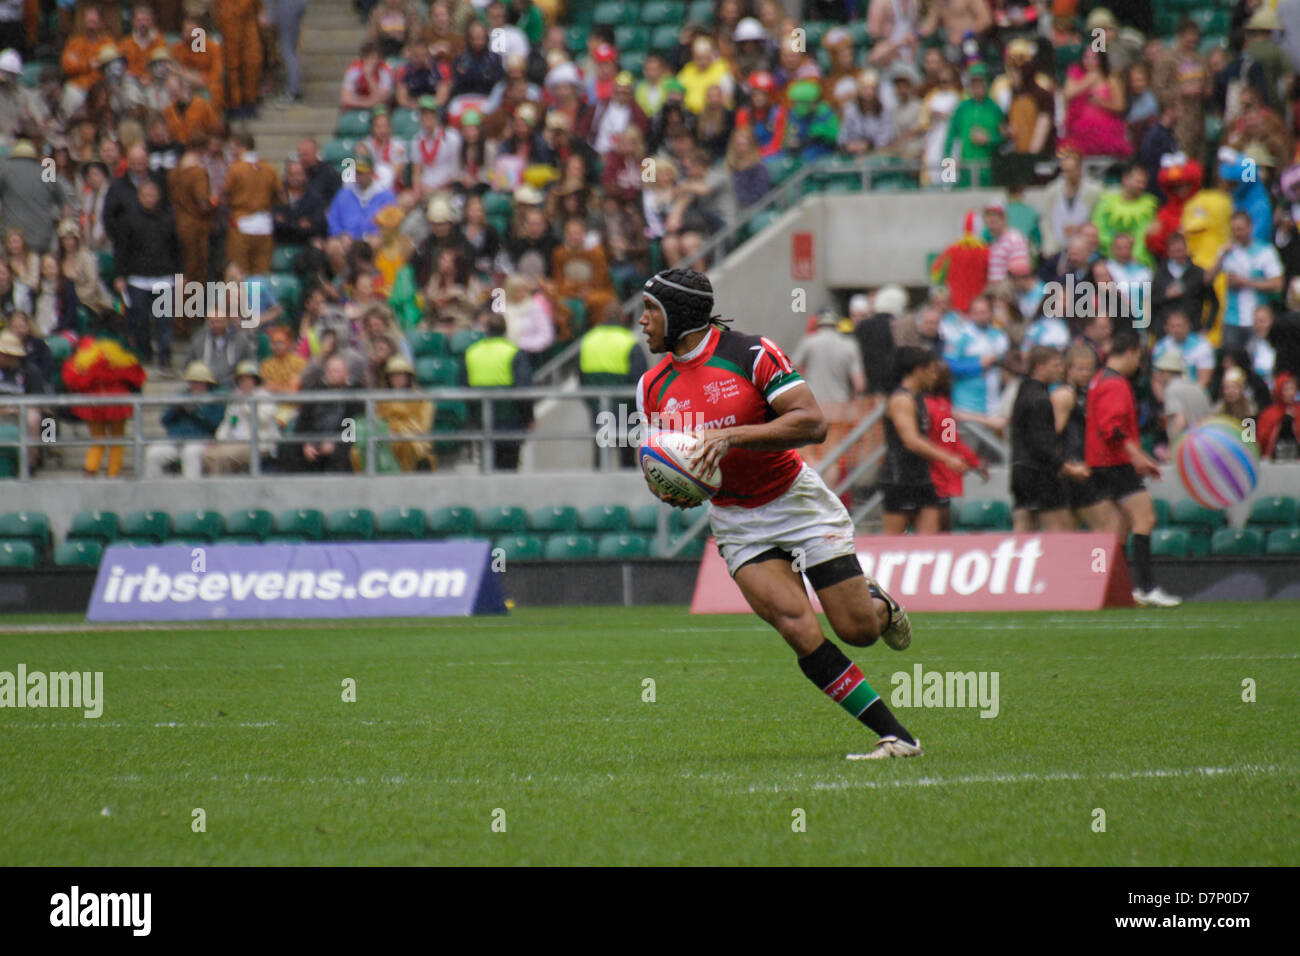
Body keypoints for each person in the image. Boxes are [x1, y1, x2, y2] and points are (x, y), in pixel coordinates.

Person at [637, 268, 922, 760]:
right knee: (797, 628)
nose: (641, 322)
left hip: (796, 502)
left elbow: (812, 424)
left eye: (650, 311)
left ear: (679, 316)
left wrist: (732, 435)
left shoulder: (751, 354)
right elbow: (668, 460)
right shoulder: (651, 387)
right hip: (736, 520)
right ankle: (897, 737)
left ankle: (878, 604)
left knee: (858, 631)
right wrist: (674, 488)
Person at [1085, 329, 1182, 607]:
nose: (1139, 364)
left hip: (1100, 462)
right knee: (1145, 518)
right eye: (1138, 357)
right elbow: (1112, 429)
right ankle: (1148, 586)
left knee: (1117, 528)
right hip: (1116, 463)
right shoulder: (1115, 384)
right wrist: (1138, 457)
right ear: (1130, 352)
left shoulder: (1098, 380)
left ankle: (1108, 587)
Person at [881, 347, 971, 534]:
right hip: (900, 479)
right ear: (918, 370)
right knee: (892, 544)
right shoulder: (902, 399)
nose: (935, 376)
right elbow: (911, 440)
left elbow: (945, 433)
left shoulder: (922, 398)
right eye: (932, 371)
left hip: (923, 477)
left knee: (930, 541)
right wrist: (948, 458)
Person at [1010, 346, 1090, 531]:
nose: (1060, 369)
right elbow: (1041, 445)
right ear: (1040, 367)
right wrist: (1067, 467)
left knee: (1024, 528)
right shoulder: (1041, 400)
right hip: (1040, 475)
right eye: (1055, 365)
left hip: (1020, 471)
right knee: (1059, 528)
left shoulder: (1023, 390)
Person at [113, 178, 179, 370]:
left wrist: (179, 273)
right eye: (146, 195)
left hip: (163, 277)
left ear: (158, 197)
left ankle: (165, 356)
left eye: (153, 195)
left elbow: (176, 248)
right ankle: (145, 352)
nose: (149, 199)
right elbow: (121, 249)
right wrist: (120, 275)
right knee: (140, 319)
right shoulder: (128, 219)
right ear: (139, 196)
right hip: (138, 279)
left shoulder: (167, 218)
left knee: (164, 320)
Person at [791, 309, 865, 468]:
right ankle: (831, 489)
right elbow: (859, 384)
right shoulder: (849, 344)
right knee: (834, 457)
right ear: (836, 326)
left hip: (813, 407)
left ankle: (814, 488)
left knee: (809, 454)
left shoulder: (809, 341)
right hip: (840, 409)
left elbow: (791, 371)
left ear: (819, 325)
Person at [1207, 210, 1284, 352]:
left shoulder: (1265, 251)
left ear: (1250, 228)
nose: (1237, 233)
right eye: (1234, 230)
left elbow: (1278, 284)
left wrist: (1246, 283)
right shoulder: (1227, 251)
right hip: (1231, 320)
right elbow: (1207, 279)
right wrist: (1222, 256)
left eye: (1240, 229)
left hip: (1257, 320)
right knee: (1232, 363)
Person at [463, 312, 532, 470]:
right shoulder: (514, 352)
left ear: (486, 330)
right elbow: (524, 390)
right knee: (508, 469)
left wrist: (472, 417)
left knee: (487, 466)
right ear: (505, 330)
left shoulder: (471, 352)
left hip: (482, 420)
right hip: (510, 421)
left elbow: (464, 386)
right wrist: (529, 417)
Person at [281, 354, 362, 472]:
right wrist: (307, 443)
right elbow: (304, 420)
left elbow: (352, 422)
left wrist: (335, 444)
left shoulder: (356, 392)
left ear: (346, 373)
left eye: (337, 371)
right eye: (330, 371)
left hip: (342, 441)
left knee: (344, 454)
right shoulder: (315, 390)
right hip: (315, 440)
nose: (333, 374)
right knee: (291, 450)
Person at [145, 360, 224, 477]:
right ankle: (155, 491)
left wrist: (195, 412)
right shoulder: (181, 396)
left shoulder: (215, 400)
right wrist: (175, 409)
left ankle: (191, 492)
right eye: (193, 382)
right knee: (153, 454)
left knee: (190, 454)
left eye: (199, 382)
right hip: (176, 439)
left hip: (200, 439)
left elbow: (215, 424)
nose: (195, 386)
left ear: (207, 383)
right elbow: (164, 421)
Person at [203, 359, 280, 474]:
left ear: (255, 381)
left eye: (248, 379)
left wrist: (245, 402)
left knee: (221, 457)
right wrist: (218, 440)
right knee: (207, 456)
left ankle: (220, 489)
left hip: (258, 443)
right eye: (242, 379)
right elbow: (228, 423)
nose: (245, 382)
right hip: (233, 442)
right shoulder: (235, 400)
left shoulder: (265, 397)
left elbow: (262, 420)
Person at [372, 354, 436, 471]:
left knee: (405, 444)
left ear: (408, 376)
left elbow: (422, 427)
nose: (396, 379)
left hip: (414, 441)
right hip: (386, 439)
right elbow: (378, 421)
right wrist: (387, 432)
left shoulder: (422, 399)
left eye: (400, 375)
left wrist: (398, 432)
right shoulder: (381, 399)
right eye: (393, 375)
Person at [1150, 350, 1210, 450]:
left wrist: (1172, 448)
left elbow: (1180, 420)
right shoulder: (1197, 387)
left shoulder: (1171, 389)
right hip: (1206, 445)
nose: (1158, 375)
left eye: (1160, 371)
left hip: (1188, 448)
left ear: (1166, 372)